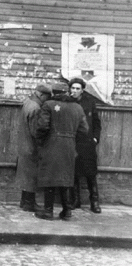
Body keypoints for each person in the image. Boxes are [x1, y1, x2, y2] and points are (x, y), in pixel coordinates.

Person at [34, 82, 88, 221]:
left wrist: (40, 142)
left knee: (49, 177)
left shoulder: (48, 105)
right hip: (69, 147)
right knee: (66, 178)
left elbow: (42, 127)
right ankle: (67, 212)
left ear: (54, 92)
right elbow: (84, 130)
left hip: (51, 145)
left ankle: (48, 211)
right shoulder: (78, 107)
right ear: (68, 92)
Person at [16, 84, 51, 212]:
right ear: (41, 95)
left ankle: (24, 201)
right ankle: (30, 203)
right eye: (46, 97)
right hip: (31, 146)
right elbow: (35, 131)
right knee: (31, 175)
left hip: (24, 144)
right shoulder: (36, 108)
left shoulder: (28, 103)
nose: (47, 100)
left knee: (26, 174)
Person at [69, 77, 102, 213]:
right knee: (74, 173)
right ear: (70, 89)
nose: (75, 91)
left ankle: (94, 202)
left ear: (82, 90)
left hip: (88, 144)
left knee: (90, 173)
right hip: (73, 143)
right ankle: (76, 200)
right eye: (73, 88)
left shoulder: (89, 102)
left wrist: (95, 138)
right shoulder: (68, 103)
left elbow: (96, 123)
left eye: (78, 88)